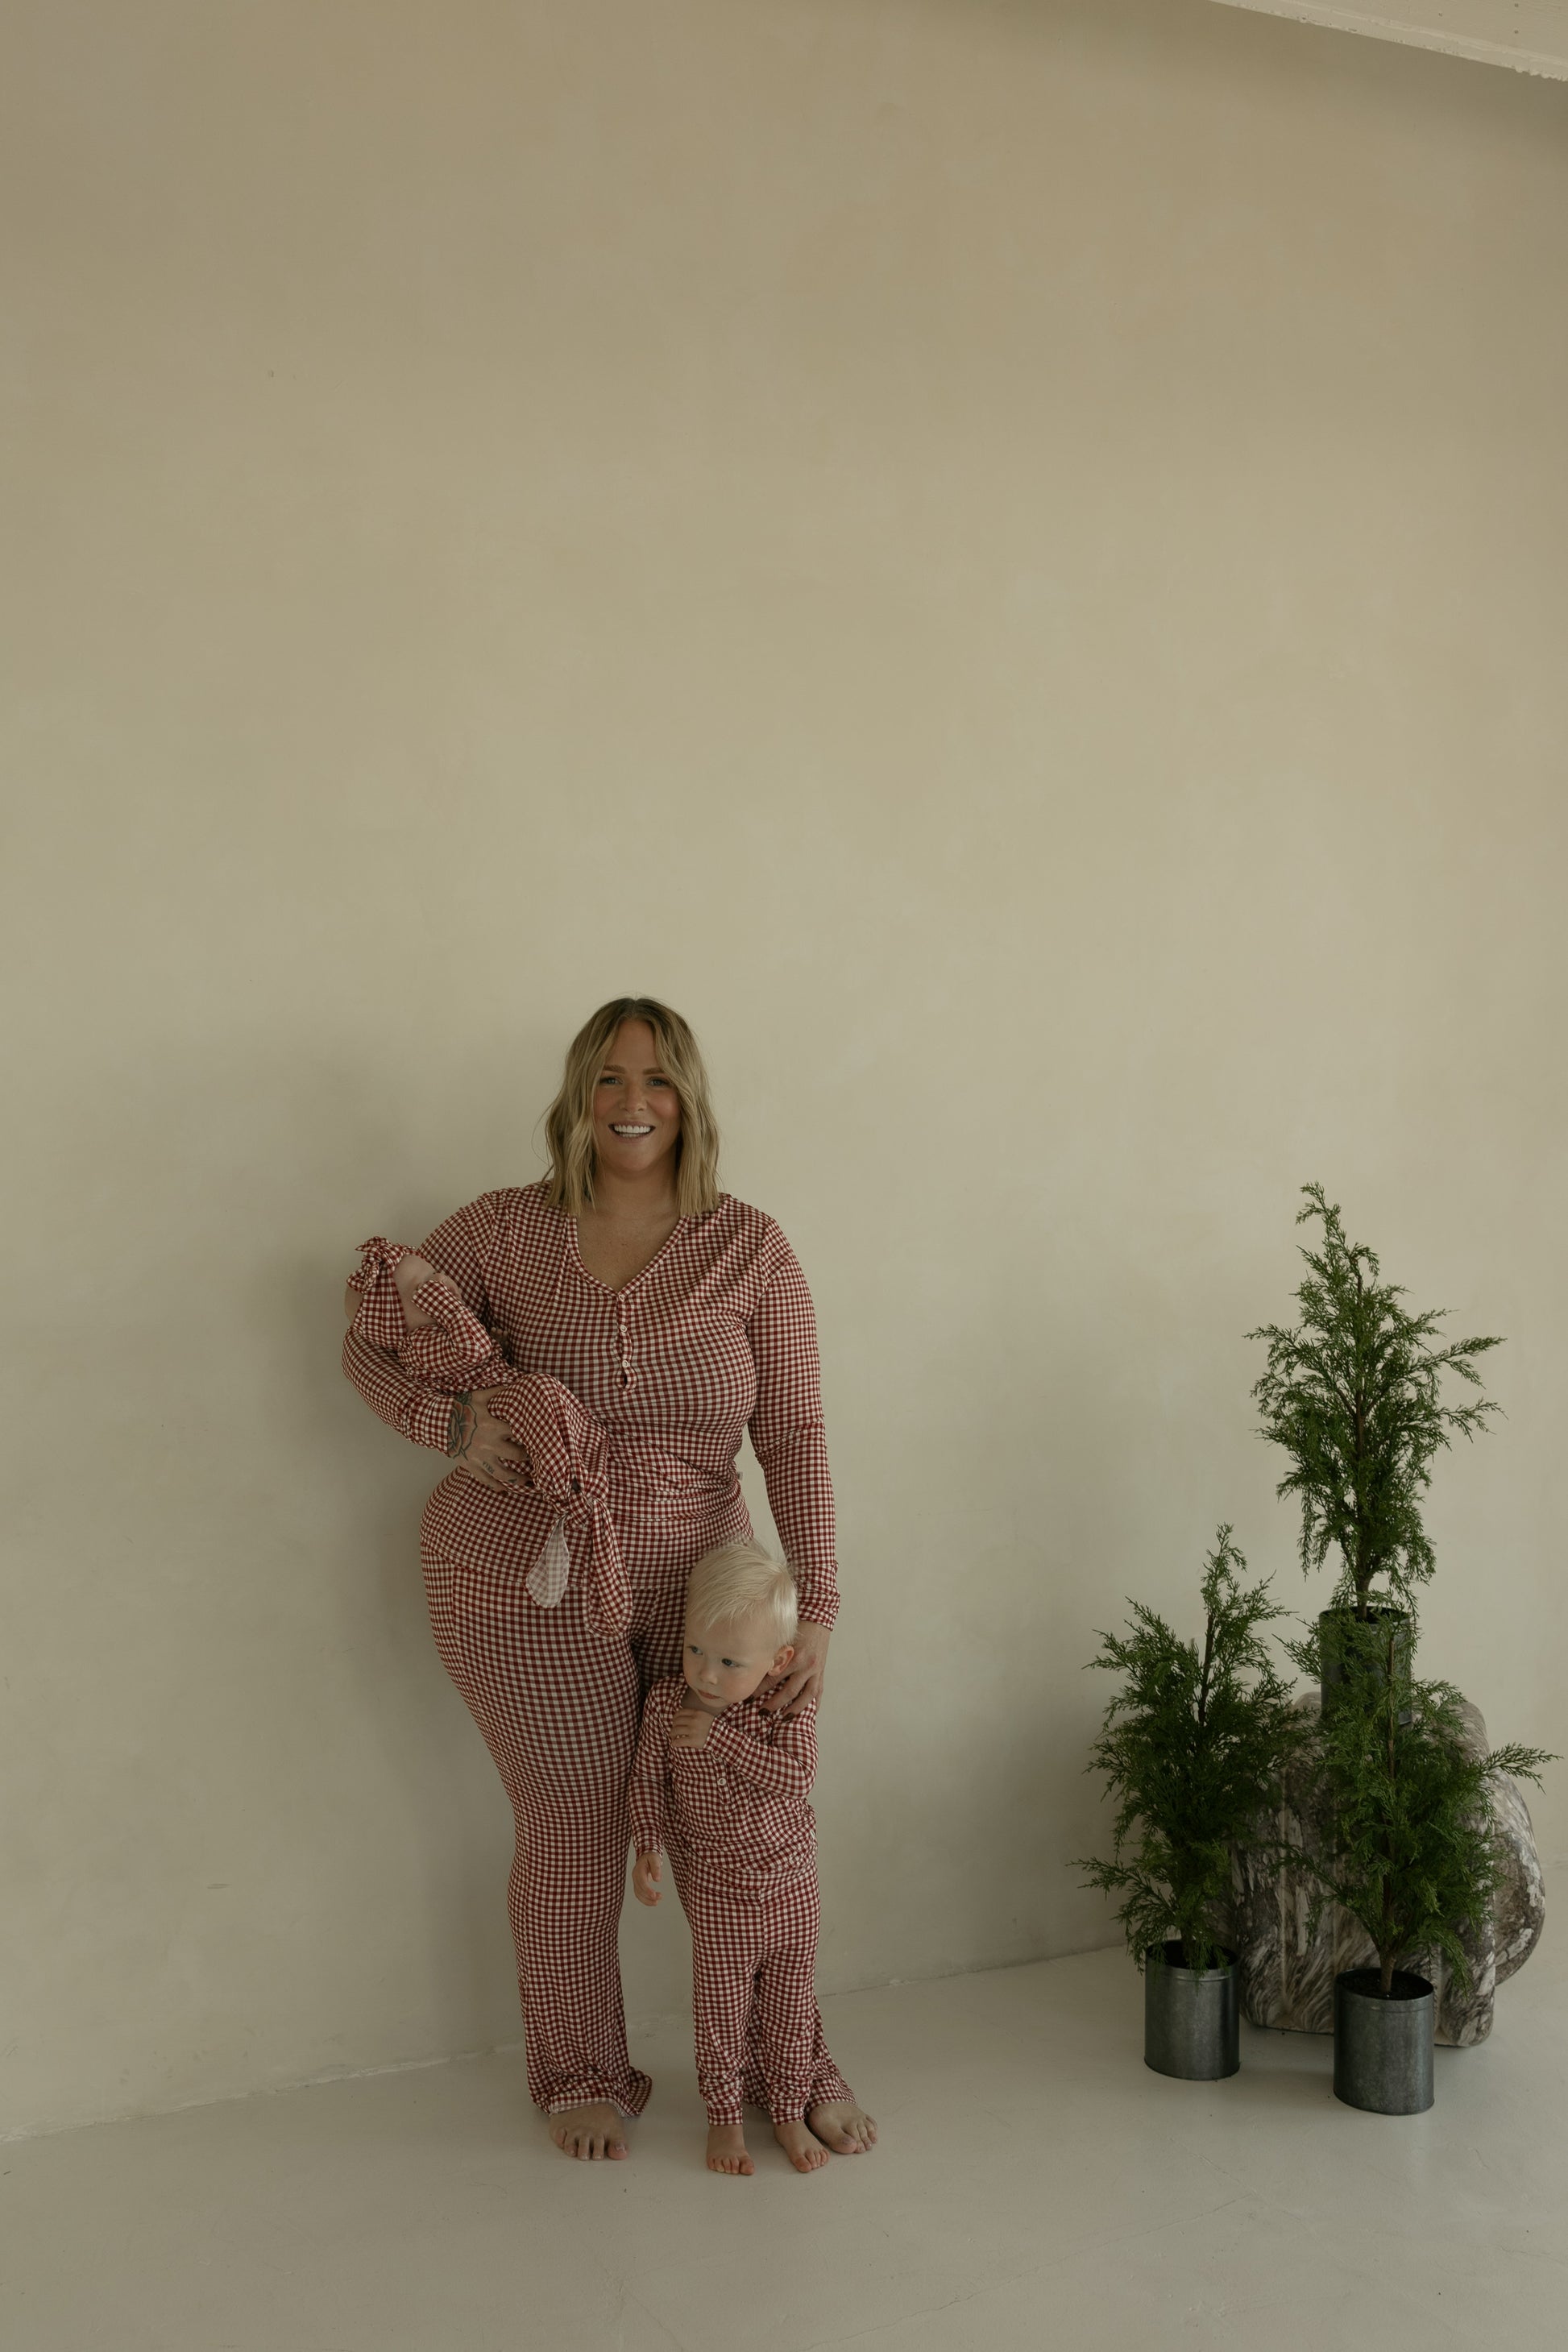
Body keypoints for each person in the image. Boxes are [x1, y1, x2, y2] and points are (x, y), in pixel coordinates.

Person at [341, 996, 875, 2161]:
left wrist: (818, 1606)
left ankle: (792, 2060)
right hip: (522, 1575)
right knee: (578, 1826)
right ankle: (579, 2066)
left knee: (747, 1830)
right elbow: (370, 1332)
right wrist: (451, 1422)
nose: (633, 1101)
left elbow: (794, 1432)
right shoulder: (502, 1228)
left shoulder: (750, 1245)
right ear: (577, 1093)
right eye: (609, 1078)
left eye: (659, 1079)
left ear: (691, 1098)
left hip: (712, 1588)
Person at [630, 1541, 863, 2176]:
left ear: (777, 1661)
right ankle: (724, 2120)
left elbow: (796, 1775)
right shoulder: (665, 1705)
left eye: (730, 1660)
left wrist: (721, 1738)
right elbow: (649, 1781)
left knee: (790, 2011)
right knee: (720, 2014)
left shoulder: (784, 1703)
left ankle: (788, 2111)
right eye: (696, 1649)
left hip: (791, 1889)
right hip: (720, 1894)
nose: (706, 1673)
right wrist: (647, 1843)